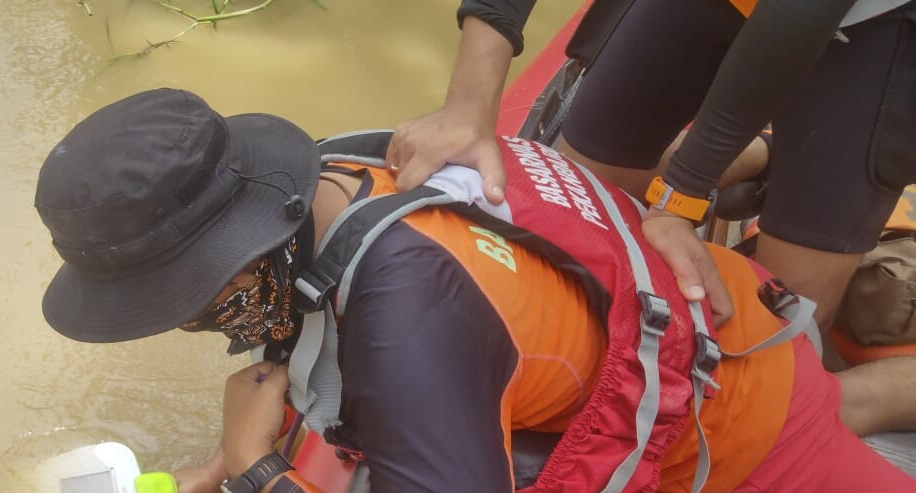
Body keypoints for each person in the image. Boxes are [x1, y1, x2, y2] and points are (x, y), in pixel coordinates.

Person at [34, 88, 916, 493]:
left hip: (742, 436)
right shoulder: (347, 166)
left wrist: (260, 474)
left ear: (236, 268)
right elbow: (310, 327)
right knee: (843, 404)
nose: (193, 324)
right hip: (725, 315)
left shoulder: (408, 324)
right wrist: (215, 466)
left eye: (185, 306)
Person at [390, 2, 916, 369]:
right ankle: (764, 157)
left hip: (876, 26)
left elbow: (801, 12)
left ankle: (764, 159)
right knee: (571, 203)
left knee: (773, 326)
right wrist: (466, 107)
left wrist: (679, 200)